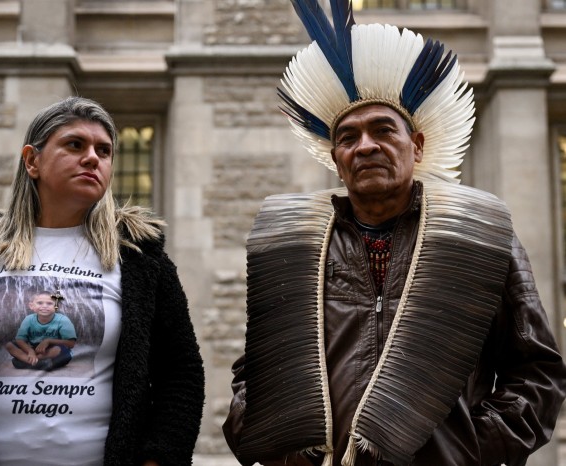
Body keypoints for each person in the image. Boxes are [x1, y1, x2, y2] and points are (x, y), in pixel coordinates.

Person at [223, 1, 566, 465]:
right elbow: (258, 369)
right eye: (348, 137)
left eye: (383, 129)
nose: (366, 146)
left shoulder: (482, 235)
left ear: (417, 144)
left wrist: (467, 449)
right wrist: (274, 445)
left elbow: (537, 373)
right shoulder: (294, 244)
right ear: (336, 157)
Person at [0, 96, 205, 466]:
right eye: (75, 145)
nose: (93, 157)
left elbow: (181, 374)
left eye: (104, 151)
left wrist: (158, 461)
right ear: (32, 160)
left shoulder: (139, 258)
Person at [5, 290, 77, 371]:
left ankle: (25, 362)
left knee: (62, 352)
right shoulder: (28, 319)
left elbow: (71, 343)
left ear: (56, 306)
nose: (44, 306)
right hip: (34, 349)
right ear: (31, 306)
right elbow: (20, 339)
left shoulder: (63, 320)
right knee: (10, 345)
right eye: (40, 303)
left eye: (49, 303)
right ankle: (41, 363)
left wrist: (48, 341)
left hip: (52, 349)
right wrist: (30, 351)